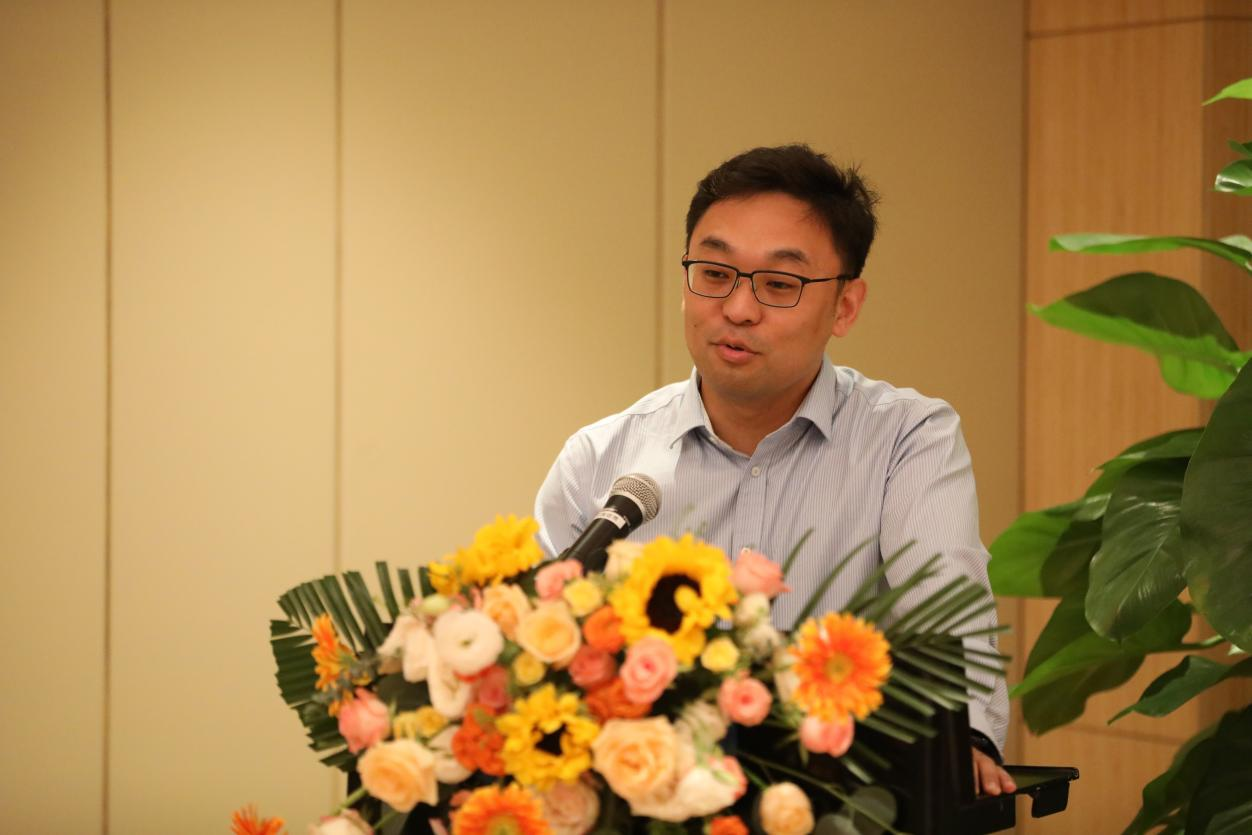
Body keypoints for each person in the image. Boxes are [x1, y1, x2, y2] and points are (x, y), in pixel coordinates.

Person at [534, 144, 1014, 796]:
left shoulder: (906, 439)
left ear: (845, 306)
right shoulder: (602, 459)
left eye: (780, 285)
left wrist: (969, 742)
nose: (737, 309)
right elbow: (541, 650)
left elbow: (945, 615)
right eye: (714, 273)